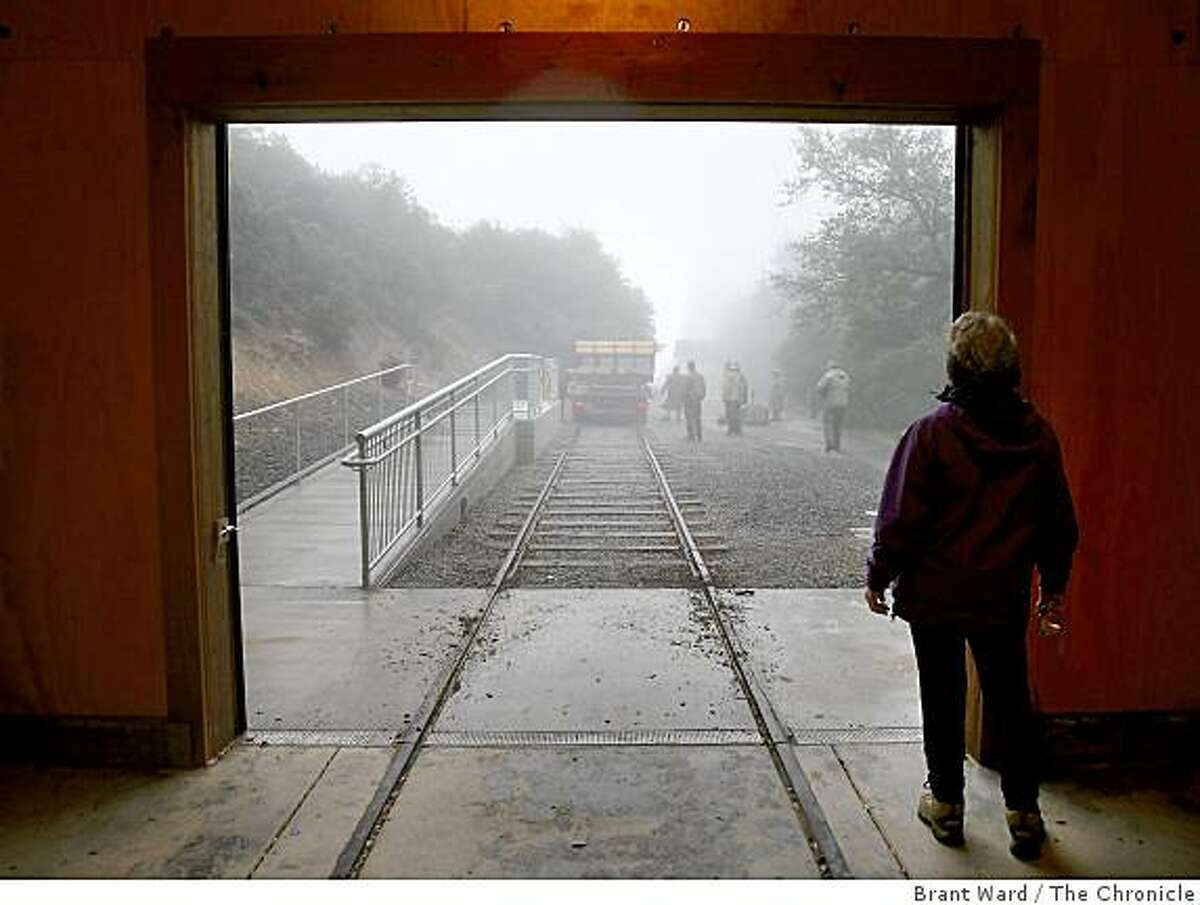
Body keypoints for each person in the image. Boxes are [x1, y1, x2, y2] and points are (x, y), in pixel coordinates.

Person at [864, 312, 1078, 861]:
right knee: (1010, 697)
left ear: (955, 367)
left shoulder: (932, 433)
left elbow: (899, 519)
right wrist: (1051, 588)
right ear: (1012, 370)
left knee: (941, 695)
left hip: (935, 594)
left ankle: (947, 806)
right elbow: (1059, 523)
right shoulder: (1039, 438)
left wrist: (878, 574)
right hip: (999, 595)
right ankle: (1024, 812)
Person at [815, 360, 851, 451]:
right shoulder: (845, 375)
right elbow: (848, 387)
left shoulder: (828, 375)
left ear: (829, 367)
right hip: (843, 403)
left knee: (827, 423)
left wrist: (822, 394)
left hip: (831, 403)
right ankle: (837, 445)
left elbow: (819, 387)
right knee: (838, 424)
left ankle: (829, 444)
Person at [720, 361, 749, 435]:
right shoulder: (741, 376)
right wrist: (745, 398)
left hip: (730, 398)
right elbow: (745, 387)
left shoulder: (727, 376)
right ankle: (738, 430)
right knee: (737, 414)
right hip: (738, 398)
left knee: (730, 415)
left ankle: (731, 430)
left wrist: (724, 397)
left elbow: (726, 388)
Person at [682, 360, 706, 442]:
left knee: (689, 417)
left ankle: (691, 436)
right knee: (697, 417)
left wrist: (683, 398)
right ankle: (699, 436)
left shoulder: (688, 377)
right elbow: (703, 387)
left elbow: (685, 388)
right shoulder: (700, 376)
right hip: (698, 399)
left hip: (689, 399)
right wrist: (702, 396)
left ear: (689, 367)